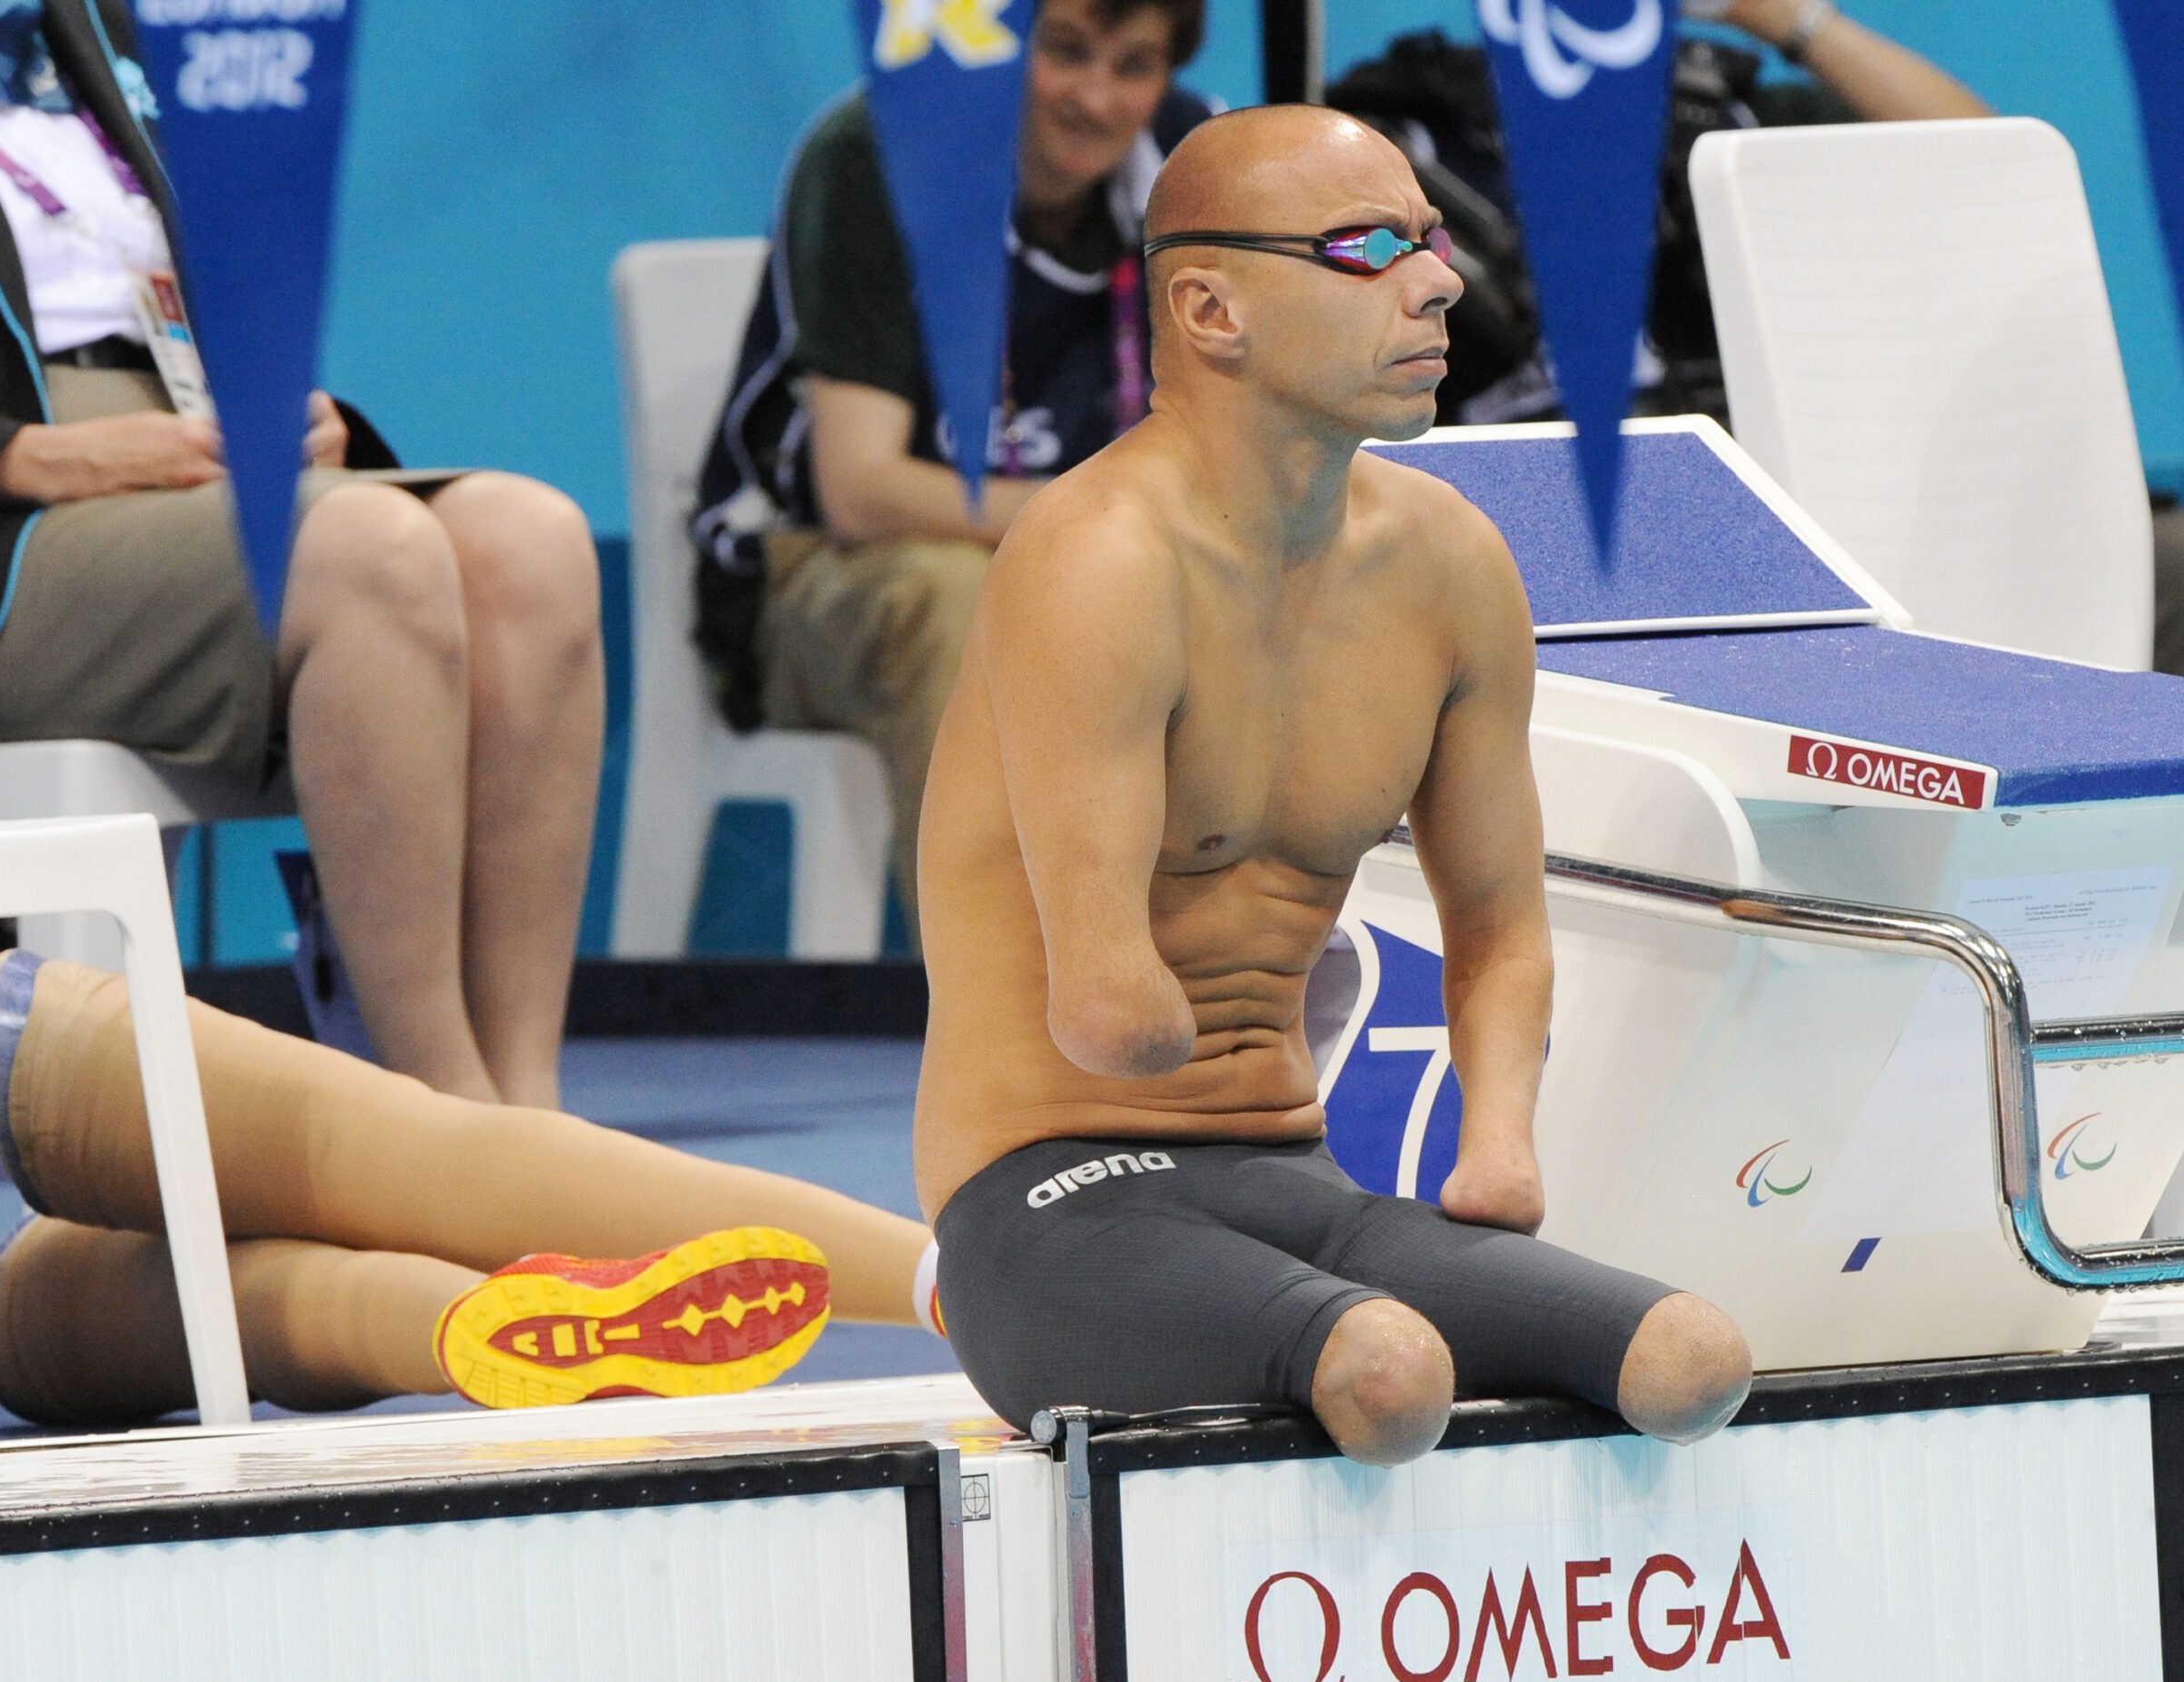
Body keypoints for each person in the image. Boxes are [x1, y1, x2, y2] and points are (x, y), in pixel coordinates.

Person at [915, 105, 1754, 1465]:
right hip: (1048, 1198)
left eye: (1428, 241)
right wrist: (1146, 992)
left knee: (1690, 1361)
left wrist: (1499, 1144)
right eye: (1369, 249)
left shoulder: (1450, 565)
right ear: (1210, 309)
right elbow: (1106, 1011)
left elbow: (1500, 927)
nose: (1441, 280)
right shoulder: (1097, 558)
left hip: (1293, 1181)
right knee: (1384, 1369)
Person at [0, 0, 602, 1109]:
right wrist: (24, 458)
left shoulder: (88, 28)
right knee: (363, 551)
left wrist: (266, 411)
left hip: (170, 469)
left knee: (527, 540)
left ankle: (531, 1106)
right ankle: (439, 1119)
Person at [690, 0, 1213, 936]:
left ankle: (1233, 997)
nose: (1096, 98)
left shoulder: (1191, 161)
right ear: (1002, 47)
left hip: (1094, 559)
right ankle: (1006, 1022)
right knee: (960, 596)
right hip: (818, 571)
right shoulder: (881, 155)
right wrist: (1124, 526)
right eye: (1066, 53)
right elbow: (862, 490)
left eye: (1134, 66)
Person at [0, 949, 944, 1422]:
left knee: (27, 1317)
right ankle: (949, 1278)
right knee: (408, 1154)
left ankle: (463, 1320)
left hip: (28, 1336)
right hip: (47, 1140)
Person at [1327, 0, 1992, 425]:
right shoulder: (1393, 134)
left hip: (1751, 486)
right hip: (1505, 510)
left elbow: (1990, 163)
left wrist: (1788, 17)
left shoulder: (1722, 115)